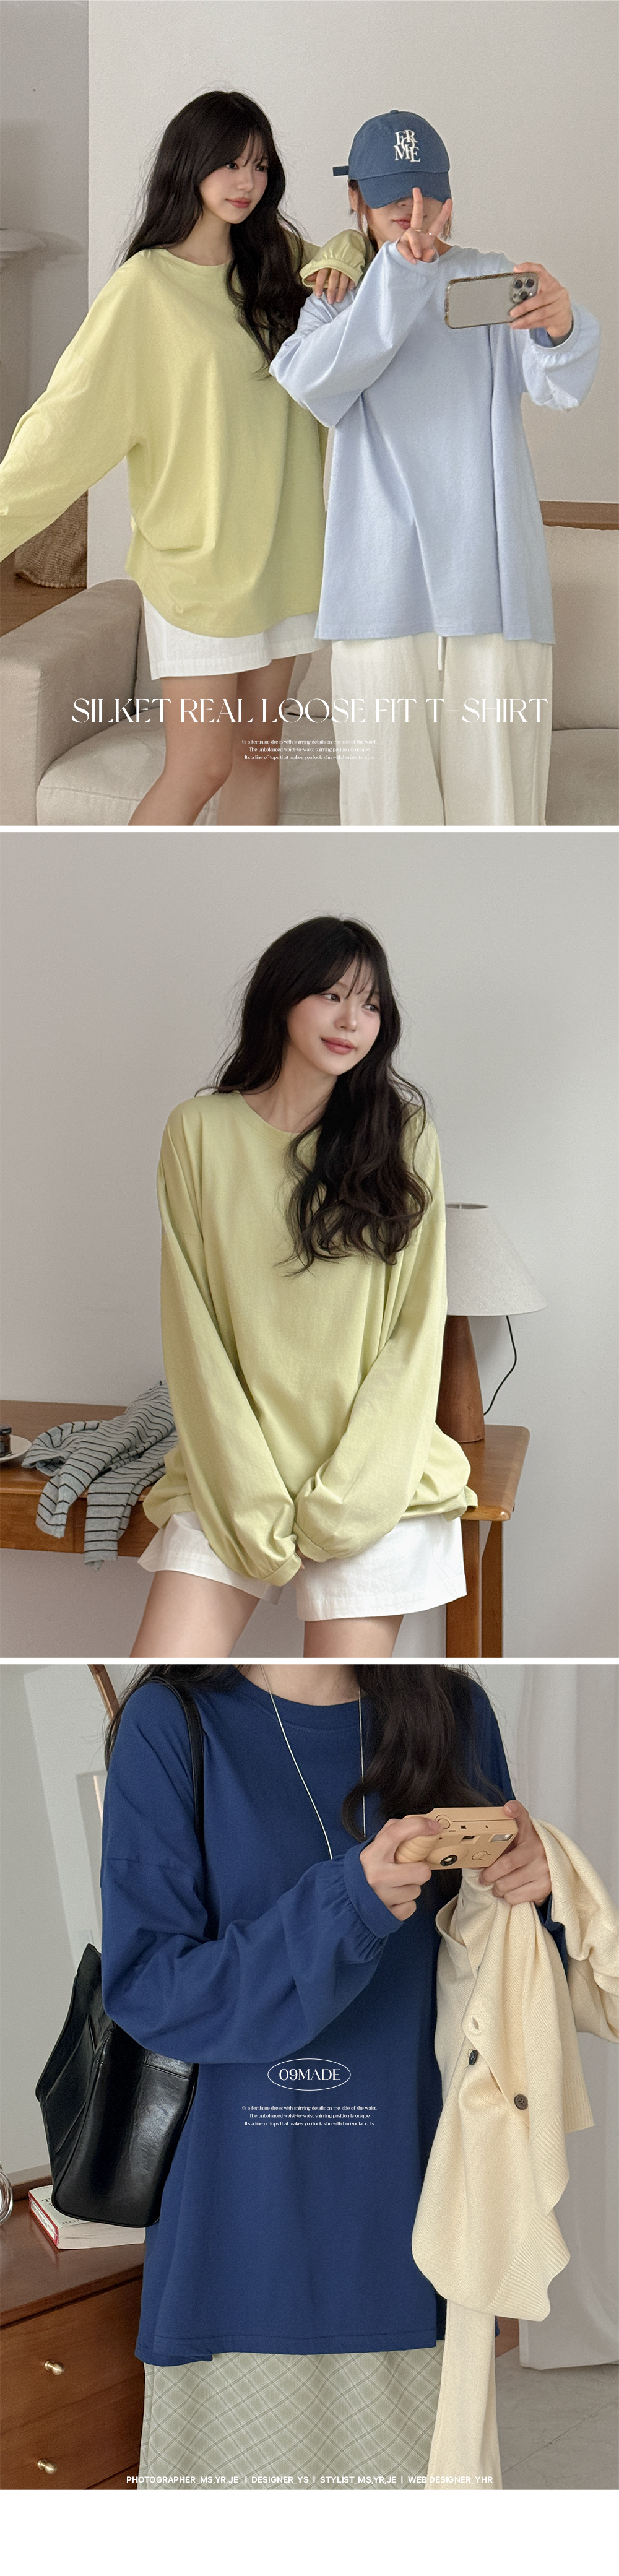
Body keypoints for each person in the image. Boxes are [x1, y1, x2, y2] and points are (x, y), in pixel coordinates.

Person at [100, 1657, 563, 2489]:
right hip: (244, 2229)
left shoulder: (453, 1711)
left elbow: (511, 1983)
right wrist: (345, 1905)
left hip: (418, 2217)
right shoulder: (171, 1723)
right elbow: (150, 1989)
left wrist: (536, 1887)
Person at [0, 91, 360, 826]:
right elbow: (64, 424)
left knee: (259, 755)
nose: (246, 181)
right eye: (229, 163)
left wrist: (350, 250)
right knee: (201, 766)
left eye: (260, 165)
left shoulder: (277, 262)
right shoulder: (145, 288)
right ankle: (118, 896)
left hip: (289, 558)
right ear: (188, 165)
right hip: (199, 570)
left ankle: (240, 891)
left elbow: (360, 271)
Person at [133, 914, 474, 1659]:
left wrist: (350, 1496)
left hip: (374, 1475)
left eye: (371, 1004)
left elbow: (415, 1331)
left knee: (337, 1704)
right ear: (282, 998)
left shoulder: (405, 1137)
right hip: (232, 1470)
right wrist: (246, 1495)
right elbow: (194, 1334)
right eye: (331, 995)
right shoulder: (197, 1132)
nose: (353, 1021)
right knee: (162, 1688)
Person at [271, 110, 601, 826]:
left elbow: (556, 384)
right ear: (355, 198)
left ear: (448, 196)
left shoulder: (487, 277)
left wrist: (562, 326)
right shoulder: (336, 298)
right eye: (393, 195)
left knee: (498, 813)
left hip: (492, 582)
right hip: (378, 587)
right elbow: (312, 383)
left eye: (426, 193)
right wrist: (394, 276)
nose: (412, 210)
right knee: (387, 814)